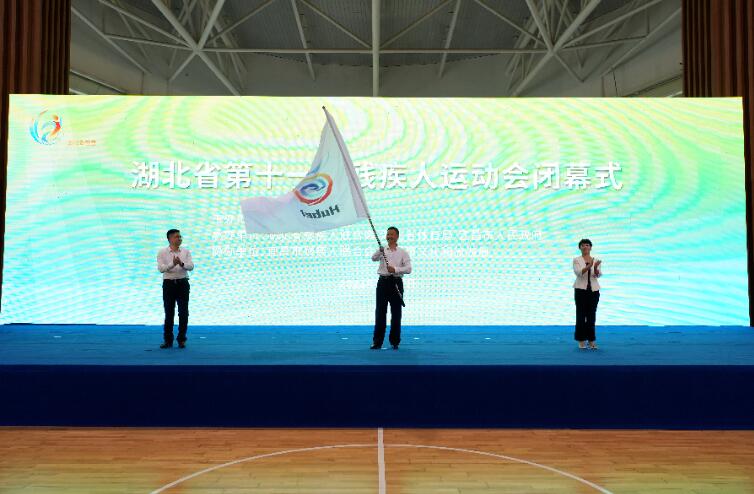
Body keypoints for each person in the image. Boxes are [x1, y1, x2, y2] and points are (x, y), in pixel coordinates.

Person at [371, 226, 412, 350]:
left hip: (396, 283)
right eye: (388, 234)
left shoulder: (403, 252)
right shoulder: (383, 250)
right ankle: (377, 342)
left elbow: (408, 269)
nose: (389, 236)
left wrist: (395, 269)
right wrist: (380, 251)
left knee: (396, 313)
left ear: (397, 236)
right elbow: (373, 258)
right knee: (380, 312)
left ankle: (395, 341)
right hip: (382, 283)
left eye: (392, 234)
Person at [157, 229, 194, 349]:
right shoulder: (162, 252)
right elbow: (161, 269)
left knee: (183, 313)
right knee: (169, 313)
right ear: (170, 239)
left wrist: (181, 264)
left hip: (183, 284)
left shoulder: (185, 251)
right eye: (177, 237)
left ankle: (181, 339)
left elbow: (191, 266)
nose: (180, 239)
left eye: (180, 236)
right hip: (169, 284)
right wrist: (173, 264)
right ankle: (168, 341)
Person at [573, 238, 601, 349]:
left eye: (587, 245)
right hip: (580, 290)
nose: (585, 247)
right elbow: (578, 273)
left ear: (591, 247)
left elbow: (598, 275)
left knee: (591, 316)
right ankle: (581, 340)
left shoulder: (595, 260)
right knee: (581, 315)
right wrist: (589, 266)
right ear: (580, 248)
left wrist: (595, 267)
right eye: (583, 245)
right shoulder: (576, 260)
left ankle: (591, 340)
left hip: (594, 291)